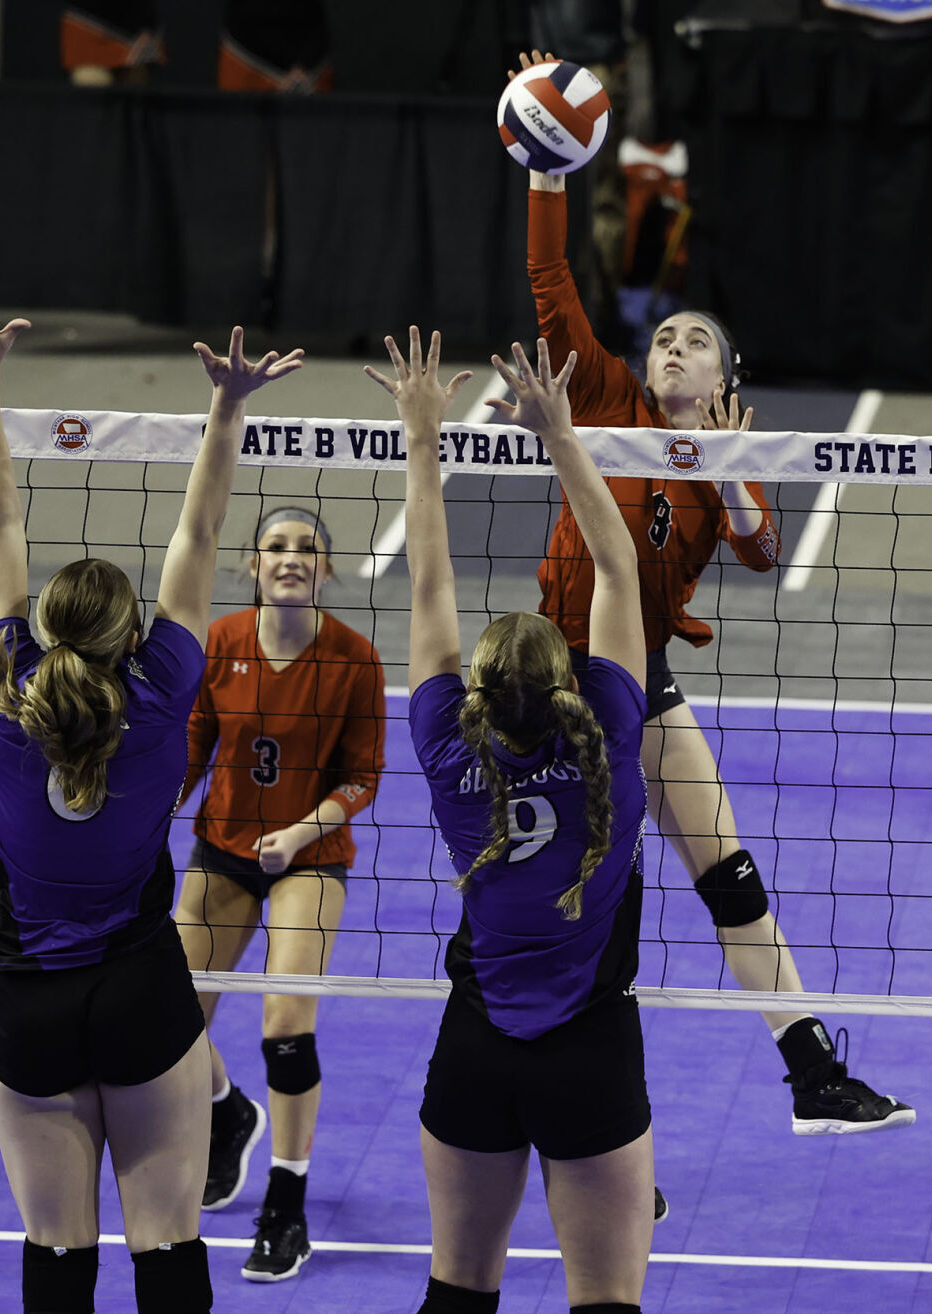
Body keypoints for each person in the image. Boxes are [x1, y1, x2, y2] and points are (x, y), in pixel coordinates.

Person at [514, 52, 912, 1135]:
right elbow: (553, 286)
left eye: (695, 343)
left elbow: (759, 551)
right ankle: (587, 1117)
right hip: (549, 686)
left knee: (728, 874)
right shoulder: (599, 397)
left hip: (639, 678)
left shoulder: (724, 464)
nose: (672, 345)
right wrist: (547, 165)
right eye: (665, 337)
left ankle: (811, 1074)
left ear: (725, 388)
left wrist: (725, 463)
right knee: (586, 904)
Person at [0, 283, 304, 1314]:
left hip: (28, 1006)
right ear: (136, 641)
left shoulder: (3, 685)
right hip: (139, 992)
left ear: (40, 628)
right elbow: (202, 534)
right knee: (168, 1248)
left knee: (56, 1258)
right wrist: (226, 411)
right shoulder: (168, 684)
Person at [368, 328, 652, 1314]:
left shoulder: (450, 751)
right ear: (571, 685)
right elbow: (618, 574)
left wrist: (421, 435)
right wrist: (561, 434)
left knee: (457, 1294)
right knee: (606, 1304)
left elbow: (429, 585)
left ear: (478, 690)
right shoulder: (611, 736)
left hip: (476, 1051)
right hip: (591, 1053)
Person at [173, 506, 385, 1282]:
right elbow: (193, 743)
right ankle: (228, 1113)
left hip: (309, 855)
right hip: (222, 845)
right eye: (276, 548)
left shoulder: (355, 659)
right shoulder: (220, 643)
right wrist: (152, 809)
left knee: (285, 1025)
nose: (291, 558)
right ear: (252, 565)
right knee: (165, 1017)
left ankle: (285, 1202)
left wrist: (300, 832)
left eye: (307, 549)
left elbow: (364, 773)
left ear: (326, 569)